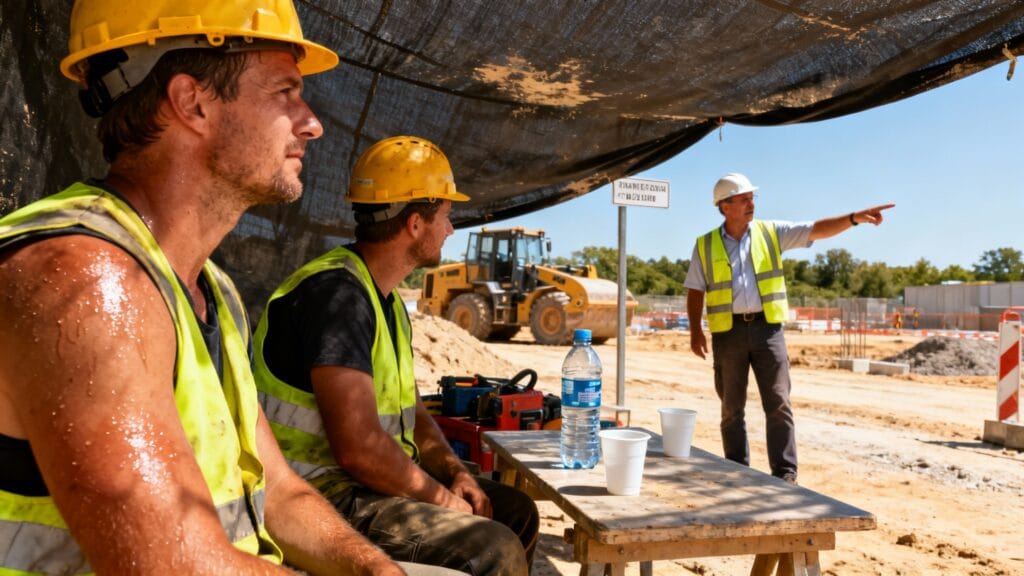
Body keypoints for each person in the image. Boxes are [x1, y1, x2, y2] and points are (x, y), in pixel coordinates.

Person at [0, 2, 434, 574]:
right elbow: (174, 568)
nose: (312, 123)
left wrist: (371, 567)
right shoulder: (87, 279)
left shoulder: (211, 288)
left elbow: (279, 492)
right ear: (193, 102)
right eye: (285, 92)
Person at [253, 136, 540, 576]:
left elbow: (412, 411)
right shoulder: (337, 298)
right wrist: (442, 500)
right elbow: (360, 451)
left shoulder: (385, 301)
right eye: (444, 215)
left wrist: (453, 472)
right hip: (320, 495)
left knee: (516, 511)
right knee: (493, 547)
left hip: (368, 484)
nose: (449, 229)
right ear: (414, 224)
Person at [685, 173, 894, 484]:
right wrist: (695, 331)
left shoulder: (771, 233)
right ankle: (737, 471)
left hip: (767, 330)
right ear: (725, 206)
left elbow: (815, 229)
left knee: (779, 402)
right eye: (744, 199)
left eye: (751, 197)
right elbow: (695, 289)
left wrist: (853, 219)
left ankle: (785, 474)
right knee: (731, 408)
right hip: (727, 334)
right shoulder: (705, 245)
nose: (751, 203)